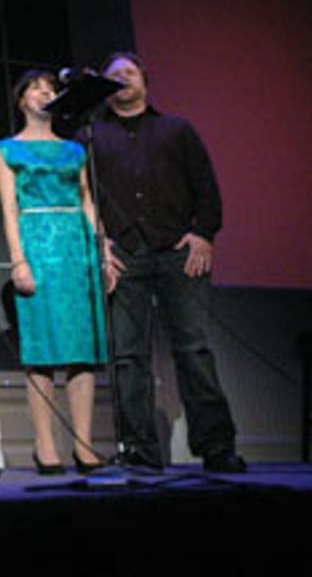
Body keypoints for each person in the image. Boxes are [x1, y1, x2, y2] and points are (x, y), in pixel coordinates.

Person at [88, 52, 245, 473]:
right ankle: (139, 450)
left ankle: (216, 447)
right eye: (113, 75)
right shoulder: (93, 137)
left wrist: (203, 234)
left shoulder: (176, 130)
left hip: (177, 254)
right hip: (123, 256)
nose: (121, 78)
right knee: (127, 357)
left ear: (145, 81)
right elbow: (87, 197)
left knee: (193, 349)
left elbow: (206, 186)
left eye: (129, 72)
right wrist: (101, 246)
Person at [0, 70, 107, 475]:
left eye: (51, 88)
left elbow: (87, 200)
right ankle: (45, 447)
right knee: (41, 351)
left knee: (82, 352)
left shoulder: (75, 150)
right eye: (36, 87)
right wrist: (18, 259)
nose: (45, 92)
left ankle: (84, 445)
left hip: (77, 248)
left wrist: (103, 249)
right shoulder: (7, 149)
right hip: (37, 243)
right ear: (21, 99)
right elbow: (8, 208)